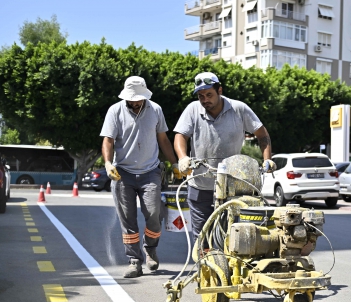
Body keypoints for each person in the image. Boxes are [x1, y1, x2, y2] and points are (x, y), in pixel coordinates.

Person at [173, 72, 274, 247]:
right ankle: (203, 269)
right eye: (201, 96)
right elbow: (180, 136)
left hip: (231, 186)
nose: (205, 100)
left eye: (209, 95)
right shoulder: (192, 110)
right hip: (200, 183)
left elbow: (262, 134)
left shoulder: (239, 109)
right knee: (202, 236)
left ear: (220, 90)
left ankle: (227, 268)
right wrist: (183, 158)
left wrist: (267, 160)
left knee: (230, 234)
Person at [100, 76, 181, 278]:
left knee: (154, 214)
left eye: (138, 100)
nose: (135, 103)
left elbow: (163, 139)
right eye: (132, 100)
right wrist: (108, 163)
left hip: (150, 171)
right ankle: (134, 261)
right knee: (127, 220)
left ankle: (150, 248)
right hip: (123, 173)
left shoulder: (156, 110)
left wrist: (175, 163)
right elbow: (108, 140)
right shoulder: (115, 111)